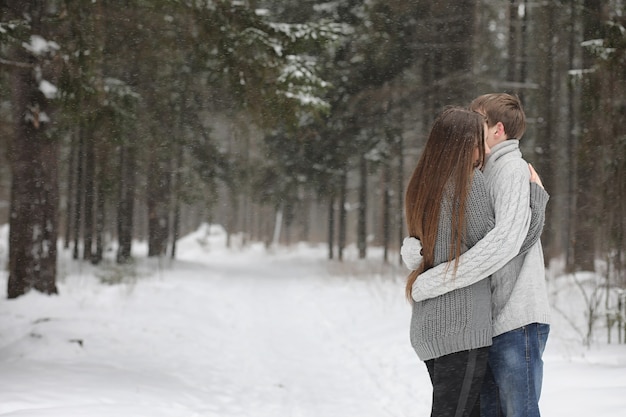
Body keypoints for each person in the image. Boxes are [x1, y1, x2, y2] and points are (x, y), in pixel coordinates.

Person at [402, 93, 550, 417]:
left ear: (497, 129)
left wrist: (420, 267)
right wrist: (536, 206)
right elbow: (495, 245)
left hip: (471, 323)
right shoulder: (471, 181)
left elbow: (499, 245)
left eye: (479, 122)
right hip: (465, 324)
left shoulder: (429, 183)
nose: (478, 138)